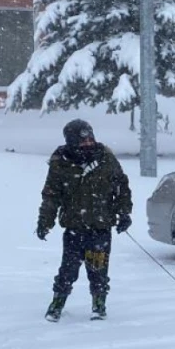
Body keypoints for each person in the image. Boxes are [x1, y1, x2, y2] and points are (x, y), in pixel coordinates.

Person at [35, 119, 132, 322]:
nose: (88, 143)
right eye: (82, 140)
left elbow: (122, 187)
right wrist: (45, 221)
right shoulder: (60, 162)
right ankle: (57, 303)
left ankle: (99, 303)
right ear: (71, 142)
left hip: (100, 226)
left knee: (98, 268)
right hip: (73, 227)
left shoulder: (106, 158)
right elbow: (51, 195)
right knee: (68, 269)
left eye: (90, 139)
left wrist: (124, 213)